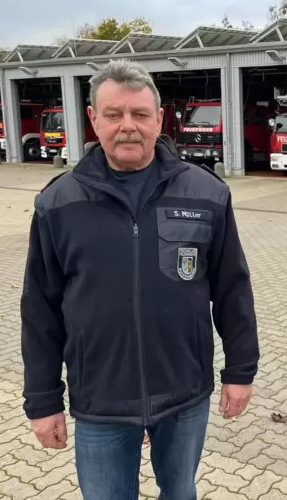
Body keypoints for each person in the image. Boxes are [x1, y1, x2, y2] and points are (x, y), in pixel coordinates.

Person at [20, 59, 259, 499]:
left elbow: (232, 289)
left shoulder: (206, 193)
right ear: (93, 119)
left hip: (184, 394)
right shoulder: (58, 203)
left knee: (180, 493)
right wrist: (43, 400)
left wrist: (241, 371)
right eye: (113, 114)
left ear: (159, 119)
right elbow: (40, 311)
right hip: (100, 402)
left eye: (140, 114)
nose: (127, 126)